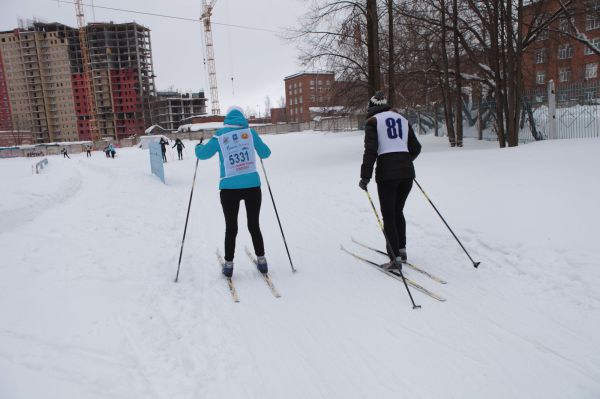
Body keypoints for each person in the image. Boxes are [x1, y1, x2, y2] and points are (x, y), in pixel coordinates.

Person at [195, 106, 271, 278]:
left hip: (229, 189)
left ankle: (228, 265)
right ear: (242, 117)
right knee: (254, 225)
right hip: (252, 187)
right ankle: (262, 260)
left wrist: (197, 148)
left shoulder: (220, 135)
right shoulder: (251, 134)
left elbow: (203, 155)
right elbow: (266, 153)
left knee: (231, 227)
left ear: (227, 118)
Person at [359, 91, 421, 270]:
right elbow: (416, 148)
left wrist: (365, 177)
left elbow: (370, 152)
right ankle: (401, 251)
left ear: (372, 108)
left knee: (389, 215)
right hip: (407, 174)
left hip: (387, 174)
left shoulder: (373, 122)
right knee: (398, 211)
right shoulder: (402, 119)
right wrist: (405, 162)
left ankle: (395, 259)